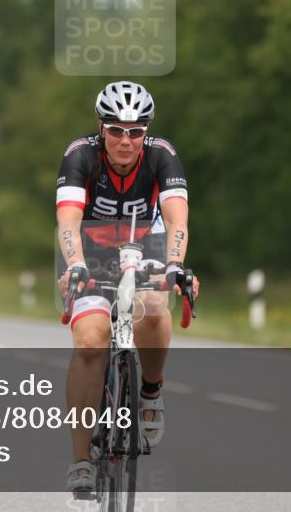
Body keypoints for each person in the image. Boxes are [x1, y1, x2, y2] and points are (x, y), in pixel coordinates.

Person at [56, 81, 200, 496]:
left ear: (146, 132)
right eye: (117, 130)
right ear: (101, 127)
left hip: (145, 244)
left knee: (153, 304)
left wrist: (175, 266)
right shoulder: (80, 155)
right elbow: (68, 222)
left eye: (135, 131)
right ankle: (81, 461)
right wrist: (76, 265)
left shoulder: (161, 155)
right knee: (90, 340)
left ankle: (150, 390)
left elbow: (176, 219)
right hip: (90, 250)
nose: (126, 140)